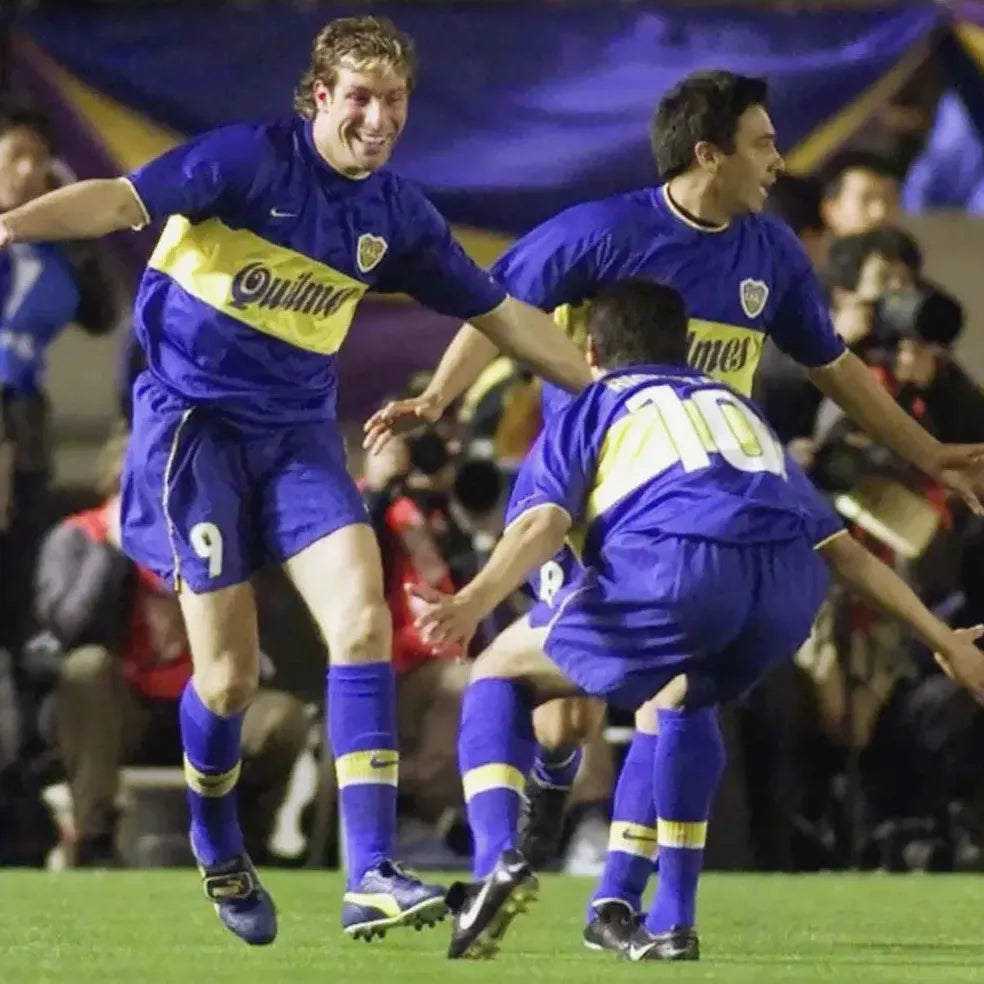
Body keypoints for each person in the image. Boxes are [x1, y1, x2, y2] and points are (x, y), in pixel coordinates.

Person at [0, 16, 591, 947]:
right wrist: (9, 226)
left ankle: (369, 876)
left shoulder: (395, 214)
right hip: (194, 434)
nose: (378, 118)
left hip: (300, 438)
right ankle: (215, 835)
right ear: (319, 98)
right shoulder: (244, 162)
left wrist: (608, 392)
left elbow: (503, 313)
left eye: (393, 101)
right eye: (359, 98)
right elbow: (117, 201)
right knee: (230, 680)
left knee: (363, 618)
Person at [365, 69, 984, 952]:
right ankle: (596, 849)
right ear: (710, 153)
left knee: (604, 685)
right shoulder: (604, 232)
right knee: (584, 712)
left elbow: (835, 367)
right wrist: (442, 397)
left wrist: (923, 450)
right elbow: (495, 305)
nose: (779, 160)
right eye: (765, 143)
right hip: (620, 493)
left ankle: (574, 876)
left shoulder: (770, 254)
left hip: (682, 497)